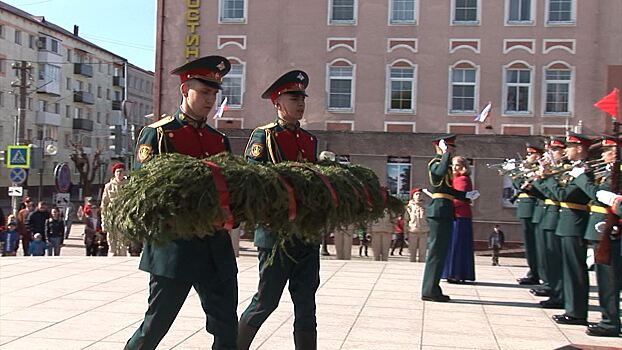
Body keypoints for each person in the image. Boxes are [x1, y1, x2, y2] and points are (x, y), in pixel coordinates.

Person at [125, 56, 238, 350]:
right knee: (154, 328)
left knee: (227, 329)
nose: (210, 99)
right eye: (204, 92)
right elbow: (144, 193)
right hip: (175, 249)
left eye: (214, 93)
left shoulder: (218, 139)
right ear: (186, 89)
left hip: (216, 249)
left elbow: (232, 189)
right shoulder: (160, 134)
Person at [238, 70, 319, 350]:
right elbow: (256, 179)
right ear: (277, 102)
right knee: (266, 300)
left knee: (306, 303)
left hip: (306, 235)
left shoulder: (309, 140)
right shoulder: (264, 137)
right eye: (293, 97)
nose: (300, 103)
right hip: (275, 233)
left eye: (302, 98)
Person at [537, 132, 592, 326]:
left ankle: (576, 311)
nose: (566, 150)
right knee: (567, 268)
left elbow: (563, 194)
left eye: (569, 147)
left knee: (574, 269)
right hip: (566, 221)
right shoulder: (575, 170)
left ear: (579, 149)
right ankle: (571, 307)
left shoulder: (584, 170)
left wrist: (546, 179)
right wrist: (543, 178)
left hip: (575, 222)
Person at [571, 136, 621, 337]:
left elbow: (597, 194)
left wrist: (582, 179)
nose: (602, 155)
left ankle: (610, 322)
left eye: (606, 151)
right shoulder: (610, 173)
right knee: (605, 279)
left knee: (609, 280)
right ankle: (608, 319)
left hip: (611, 230)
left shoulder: (616, 175)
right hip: (603, 229)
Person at [421, 135, 479, 302]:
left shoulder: (445, 165)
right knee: (436, 253)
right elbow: (438, 175)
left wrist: (466, 195)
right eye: (449, 148)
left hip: (445, 210)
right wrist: (445, 155)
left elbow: (449, 190)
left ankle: (433, 288)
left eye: (453, 149)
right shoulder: (436, 163)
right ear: (440, 148)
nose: (452, 151)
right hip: (439, 210)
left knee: (440, 252)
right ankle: (429, 289)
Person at [513, 145, 544, 285]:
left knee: (537, 244)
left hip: (534, 207)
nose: (527, 157)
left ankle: (539, 273)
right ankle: (533, 272)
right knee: (530, 244)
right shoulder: (527, 170)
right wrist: (517, 174)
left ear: (537, 156)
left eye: (530, 154)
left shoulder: (541, 170)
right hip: (525, 208)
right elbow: (518, 185)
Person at [442, 156, 476, 283]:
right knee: (454, 245)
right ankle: (453, 273)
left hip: (460, 216)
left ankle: (456, 273)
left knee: (457, 246)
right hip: (456, 215)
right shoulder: (456, 179)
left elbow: (461, 199)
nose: (454, 168)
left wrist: (446, 204)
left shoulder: (463, 179)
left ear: (463, 167)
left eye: (457, 165)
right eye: (452, 165)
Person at [101, 162, 130, 256]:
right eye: (117, 171)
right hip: (111, 217)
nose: (119, 173)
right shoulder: (109, 186)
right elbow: (104, 205)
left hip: (123, 217)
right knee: (111, 243)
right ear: (114, 173)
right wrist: (104, 222)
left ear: (124, 172)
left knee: (123, 244)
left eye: (121, 171)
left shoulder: (128, 185)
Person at [405, 188, 428, 263]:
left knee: (423, 253)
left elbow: (430, 220)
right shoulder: (409, 207)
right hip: (412, 232)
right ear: (413, 196)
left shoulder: (426, 207)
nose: (418, 196)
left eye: (420, 194)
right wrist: (405, 234)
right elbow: (406, 220)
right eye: (416, 194)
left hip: (424, 232)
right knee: (412, 253)